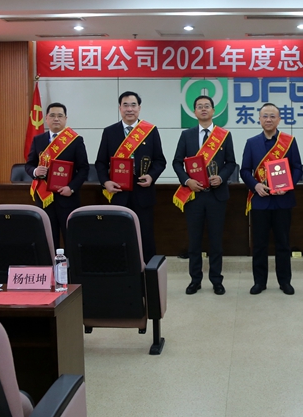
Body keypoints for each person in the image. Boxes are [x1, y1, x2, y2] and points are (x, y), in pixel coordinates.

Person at [172, 95, 237, 296]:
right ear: (194, 112)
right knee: (194, 241)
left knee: (216, 241)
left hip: (217, 196)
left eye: (207, 106)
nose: (203, 109)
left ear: (213, 110)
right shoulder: (187, 135)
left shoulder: (224, 135)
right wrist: (187, 181)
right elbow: (176, 162)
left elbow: (231, 163)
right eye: (199, 106)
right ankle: (195, 280)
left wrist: (222, 177)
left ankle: (216, 280)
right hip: (194, 195)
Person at [95, 91, 167, 260]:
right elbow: (100, 163)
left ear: (139, 108)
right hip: (118, 192)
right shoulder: (109, 132)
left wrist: (151, 176)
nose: (129, 109)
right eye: (125, 105)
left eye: (133, 105)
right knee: (119, 235)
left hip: (143, 191)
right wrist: (105, 182)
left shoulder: (150, 131)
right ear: (119, 108)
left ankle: (147, 272)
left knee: (145, 235)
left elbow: (160, 161)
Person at [240, 103, 303, 295]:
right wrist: (255, 185)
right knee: (259, 244)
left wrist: (288, 185)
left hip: (283, 201)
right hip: (260, 200)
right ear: (259, 119)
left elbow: (297, 168)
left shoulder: (289, 141)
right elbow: (244, 170)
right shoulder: (252, 143)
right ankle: (259, 282)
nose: (268, 119)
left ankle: (285, 282)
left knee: (283, 243)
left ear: (279, 119)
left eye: (272, 116)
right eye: (265, 116)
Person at [25, 102, 90, 248]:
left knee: (70, 238)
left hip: (67, 197)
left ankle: (71, 263)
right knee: (47, 238)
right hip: (44, 198)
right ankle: (49, 263)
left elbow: (84, 169)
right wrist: (35, 171)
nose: (56, 119)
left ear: (65, 119)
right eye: (52, 115)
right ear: (46, 118)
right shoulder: (38, 140)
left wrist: (71, 188)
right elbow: (29, 165)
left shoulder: (75, 140)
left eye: (60, 116)